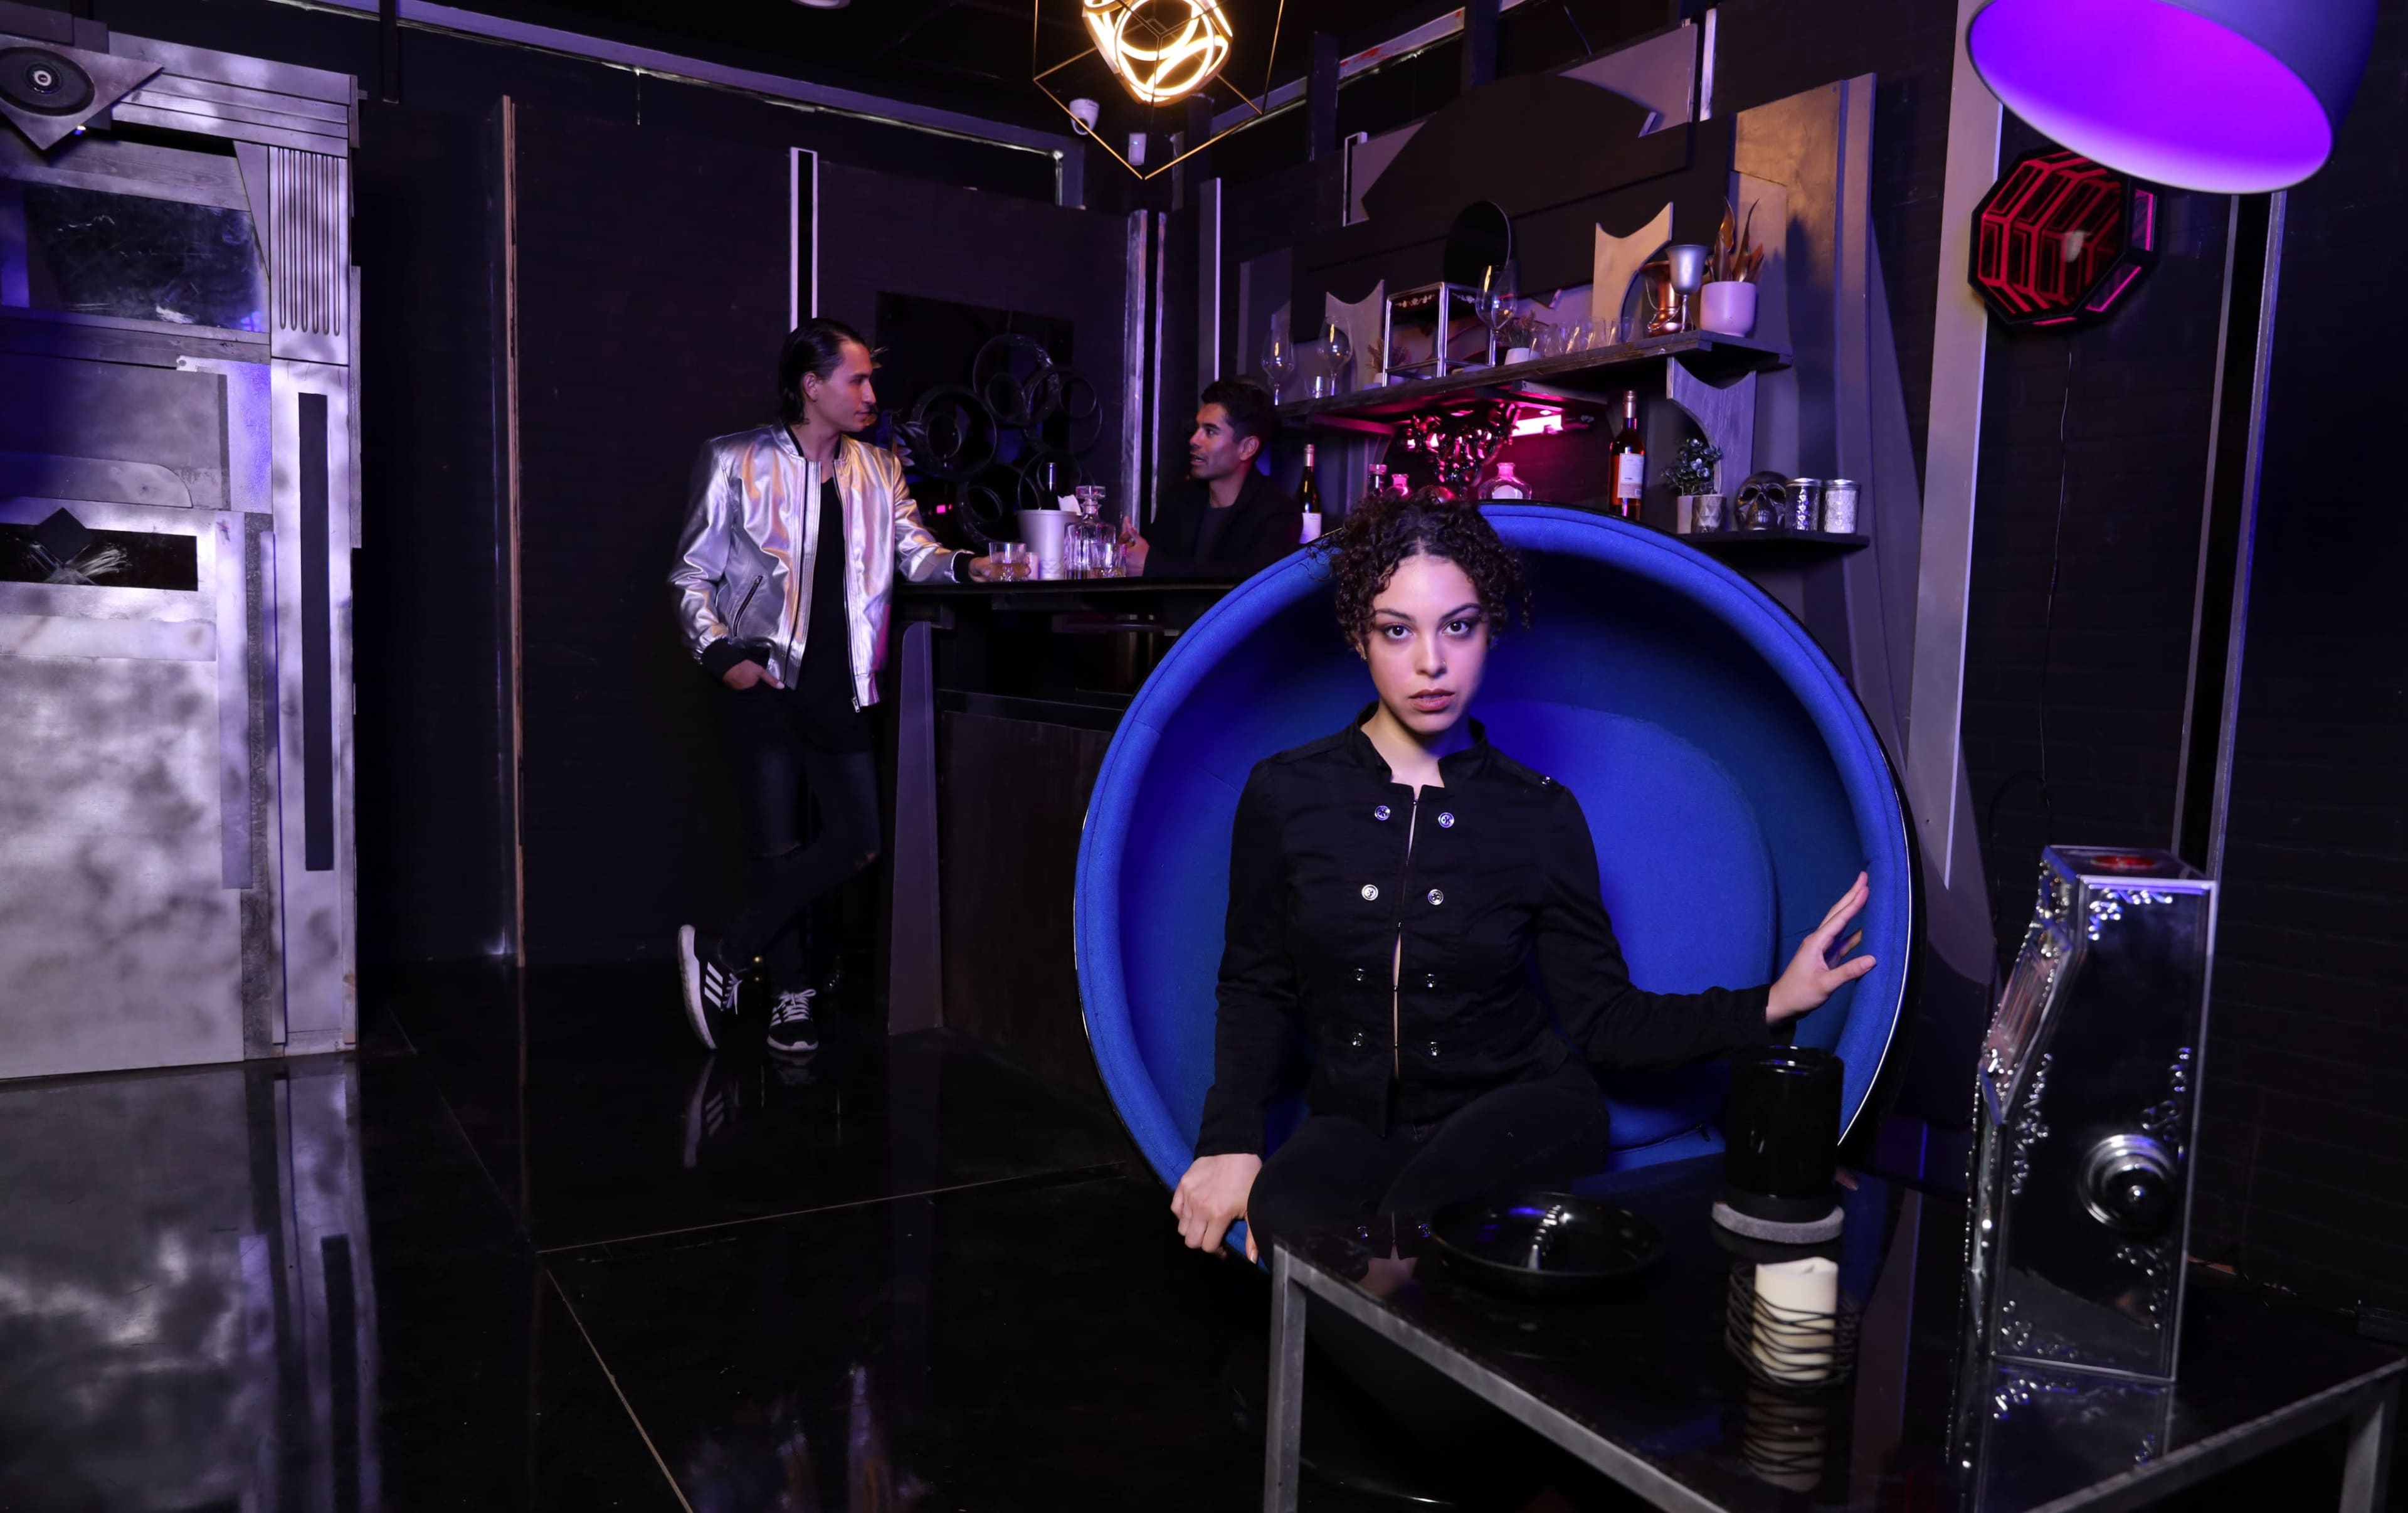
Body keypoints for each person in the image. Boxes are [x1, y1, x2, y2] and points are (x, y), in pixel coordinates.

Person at [1168, 487, 1876, 1260]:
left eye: (1458, 627)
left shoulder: (1539, 812)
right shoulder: (1285, 791)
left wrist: (1776, 1000)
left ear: (1490, 631)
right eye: (1397, 631)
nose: (1431, 663)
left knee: (1415, 1237)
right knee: (1291, 1223)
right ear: (1358, 636)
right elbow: (1255, 985)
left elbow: (1605, 1021)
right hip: (1354, 1119)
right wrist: (1230, 1140)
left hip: (1525, 1106)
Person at [670, 319, 991, 1057]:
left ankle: (723, 951)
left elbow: (915, 553)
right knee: (777, 849)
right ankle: (792, 997)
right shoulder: (734, 460)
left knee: (857, 840)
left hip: (841, 690)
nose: (871, 394)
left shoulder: (877, 470)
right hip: (760, 680)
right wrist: (722, 655)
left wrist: (973, 567)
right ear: (811, 386)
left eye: (871, 380)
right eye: (857, 379)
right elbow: (691, 573)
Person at [1122, 379, 1302, 580]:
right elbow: (1145, 594)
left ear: (1247, 448)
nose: (1194, 440)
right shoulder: (1179, 500)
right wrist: (1123, 562)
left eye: (1210, 431)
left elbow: (1248, 583)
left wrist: (1154, 566)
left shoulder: (1277, 513)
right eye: (1197, 428)